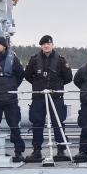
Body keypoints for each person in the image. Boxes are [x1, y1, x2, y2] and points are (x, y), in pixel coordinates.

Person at [23, 34, 73, 162]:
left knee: (58, 122)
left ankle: (61, 150)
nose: (46, 46)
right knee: (37, 123)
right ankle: (37, 150)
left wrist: (57, 85)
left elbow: (68, 77)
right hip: (39, 96)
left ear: (52, 45)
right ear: (41, 46)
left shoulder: (61, 60)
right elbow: (28, 75)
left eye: (48, 44)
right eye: (44, 44)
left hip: (56, 96)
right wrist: (38, 84)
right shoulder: (34, 60)